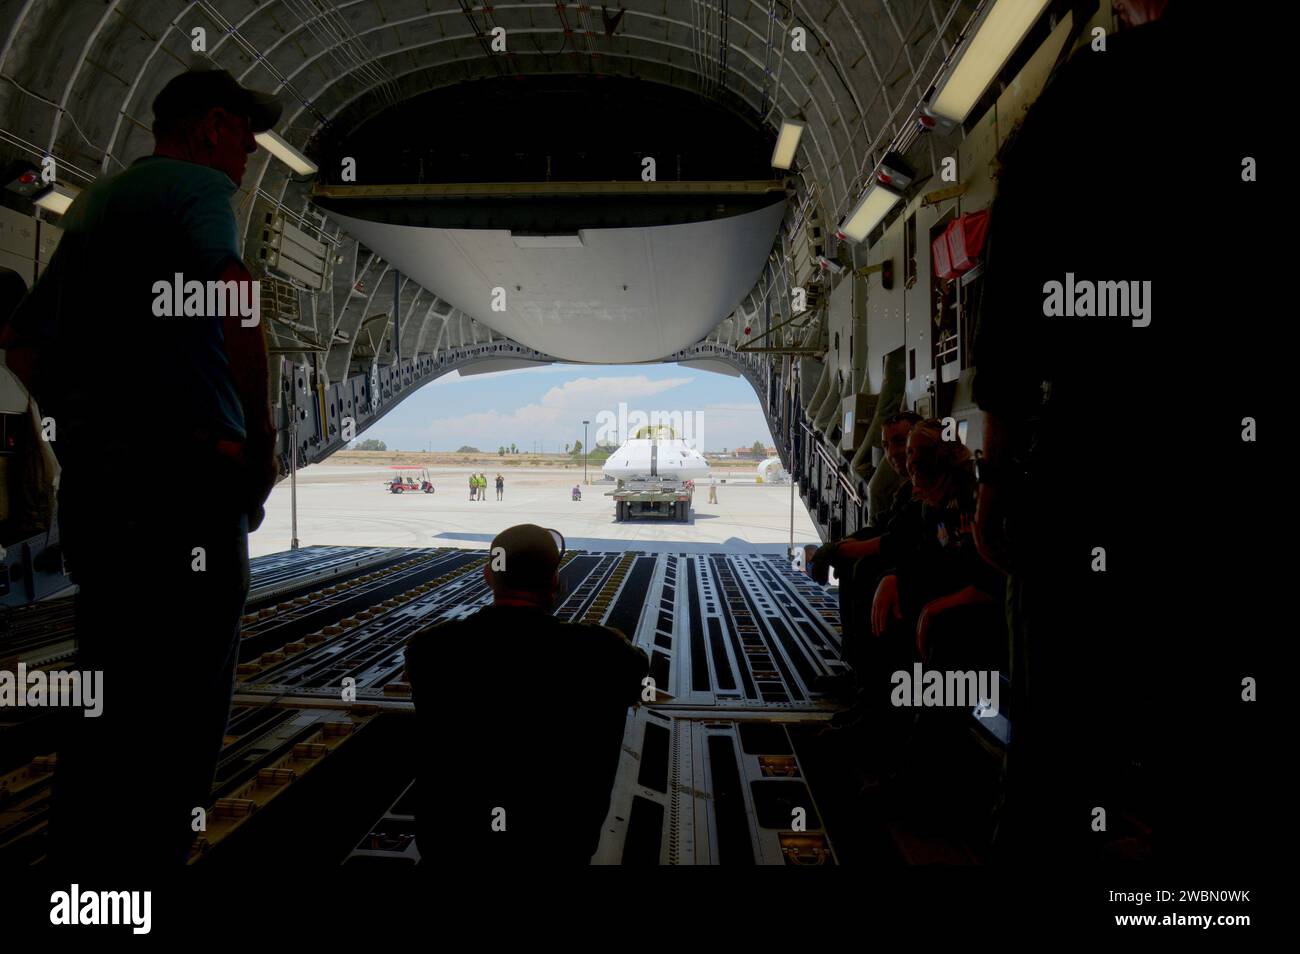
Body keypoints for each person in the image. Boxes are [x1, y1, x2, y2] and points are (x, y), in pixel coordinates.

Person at [970, 1, 1269, 863]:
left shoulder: (1084, 96)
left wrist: (996, 475)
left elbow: (1014, 307)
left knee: (1055, 767)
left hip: (1095, 472)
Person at [3, 68, 281, 866]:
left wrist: (94, 431)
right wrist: (257, 443)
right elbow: (233, 299)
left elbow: (22, 342)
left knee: (108, 697)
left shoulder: (96, 202)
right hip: (187, 494)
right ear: (213, 127)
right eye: (246, 137)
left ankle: (82, 885)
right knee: (185, 705)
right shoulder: (195, 190)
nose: (249, 156)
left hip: (104, 498)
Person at [405, 524, 648, 863]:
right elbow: (636, 675)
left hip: (453, 846)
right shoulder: (603, 653)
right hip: (555, 847)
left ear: (489, 576)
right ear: (555, 582)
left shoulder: (430, 648)